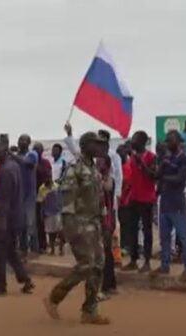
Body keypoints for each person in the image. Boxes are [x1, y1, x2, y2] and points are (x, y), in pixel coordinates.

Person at [43, 132, 110, 325]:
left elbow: (98, 198)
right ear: (85, 145)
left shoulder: (94, 169)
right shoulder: (75, 169)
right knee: (85, 265)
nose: (98, 148)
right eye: (95, 144)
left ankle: (90, 310)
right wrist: (70, 229)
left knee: (98, 265)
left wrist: (104, 222)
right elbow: (67, 203)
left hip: (94, 222)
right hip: (78, 223)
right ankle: (54, 297)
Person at [0, 144, 35, 296]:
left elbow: (4, 201)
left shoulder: (5, 172)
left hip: (7, 219)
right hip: (17, 216)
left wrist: (0, 222)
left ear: (5, 153)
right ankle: (25, 279)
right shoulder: (14, 166)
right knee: (10, 252)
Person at [151, 130, 186, 282]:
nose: (168, 143)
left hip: (177, 203)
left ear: (178, 142)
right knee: (164, 237)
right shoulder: (167, 158)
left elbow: (179, 179)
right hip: (166, 202)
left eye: (170, 140)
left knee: (183, 236)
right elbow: (155, 175)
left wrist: (163, 176)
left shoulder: (184, 159)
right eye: (167, 140)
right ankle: (164, 265)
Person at [122, 130, 157, 273]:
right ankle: (133, 259)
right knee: (132, 230)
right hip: (134, 198)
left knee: (147, 230)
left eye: (135, 139)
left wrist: (141, 162)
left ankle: (147, 261)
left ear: (142, 141)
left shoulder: (151, 157)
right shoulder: (132, 158)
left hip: (147, 198)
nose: (132, 141)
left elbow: (153, 176)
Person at [13, 134, 39, 255]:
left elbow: (27, 163)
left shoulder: (32, 154)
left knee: (30, 222)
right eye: (19, 140)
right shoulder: (15, 156)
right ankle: (23, 249)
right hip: (18, 193)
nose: (21, 142)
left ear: (29, 142)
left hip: (29, 194)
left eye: (24, 140)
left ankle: (34, 249)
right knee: (20, 223)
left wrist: (12, 155)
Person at [98, 156, 118, 295]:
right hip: (99, 219)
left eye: (100, 163)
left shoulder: (109, 179)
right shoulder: (99, 178)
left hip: (107, 219)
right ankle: (107, 283)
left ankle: (108, 284)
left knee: (106, 251)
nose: (98, 165)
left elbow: (108, 187)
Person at [34, 142, 53, 252]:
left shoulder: (45, 163)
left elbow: (49, 177)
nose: (36, 151)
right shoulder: (30, 162)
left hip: (44, 194)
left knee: (47, 220)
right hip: (33, 194)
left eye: (38, 149)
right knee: (37, 221)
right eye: (35, 149)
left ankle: (47, 244)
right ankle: (40, 245)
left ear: (42, 151)